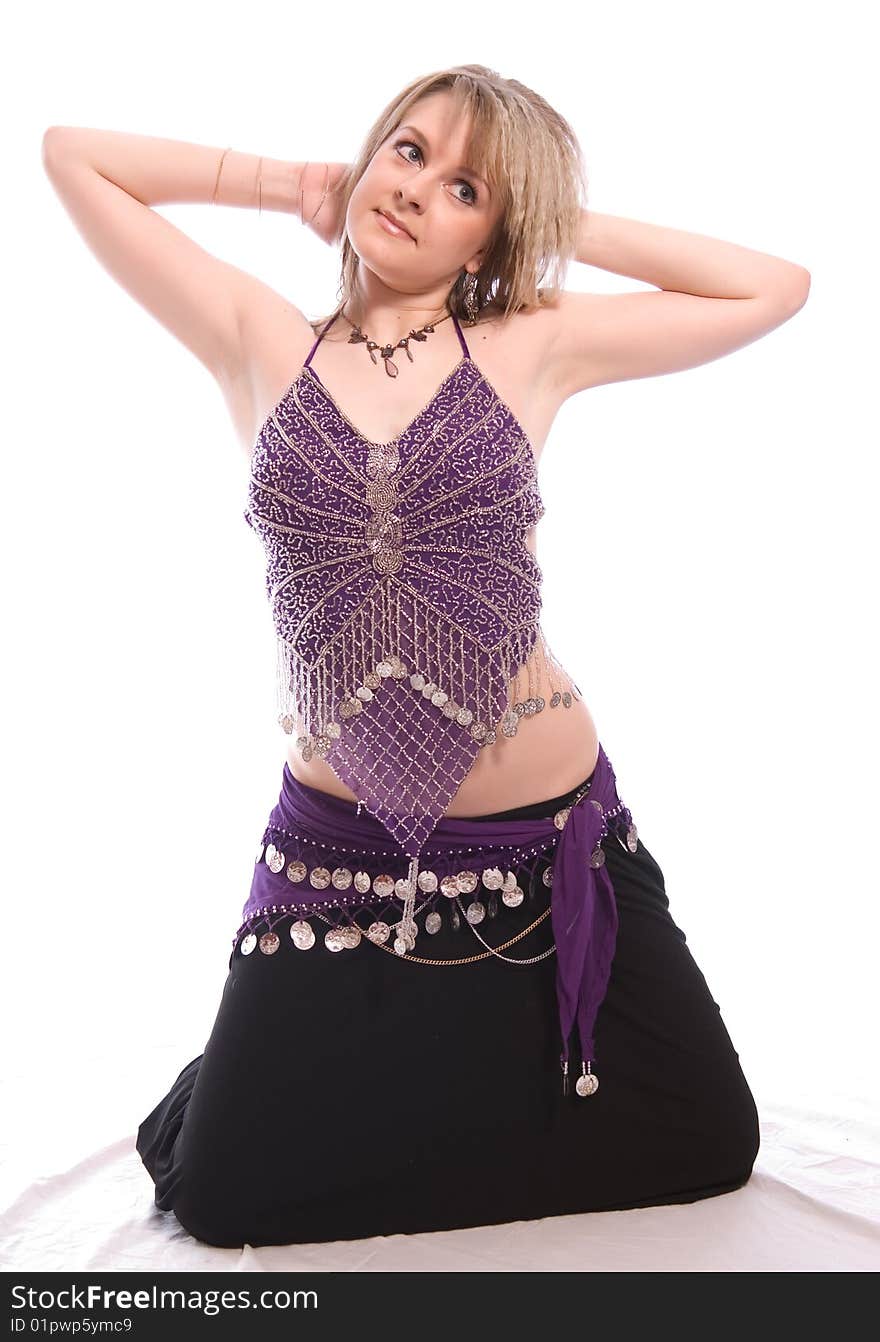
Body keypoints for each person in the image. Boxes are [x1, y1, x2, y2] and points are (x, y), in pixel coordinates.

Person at [42, 63, 810, 1249]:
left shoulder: (533, 340)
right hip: (341, 860)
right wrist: (288, 183)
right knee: (226, 1196)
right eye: (406, 151)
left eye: (466, 190)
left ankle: (424, 1086)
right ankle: (359, 1076)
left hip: (548, 847)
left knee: (708, 1137)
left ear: (493, 233)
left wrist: (544, 214)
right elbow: (71, 152)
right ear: (365, 156)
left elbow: (774, 285)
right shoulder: (257, 337)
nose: (416, 191)